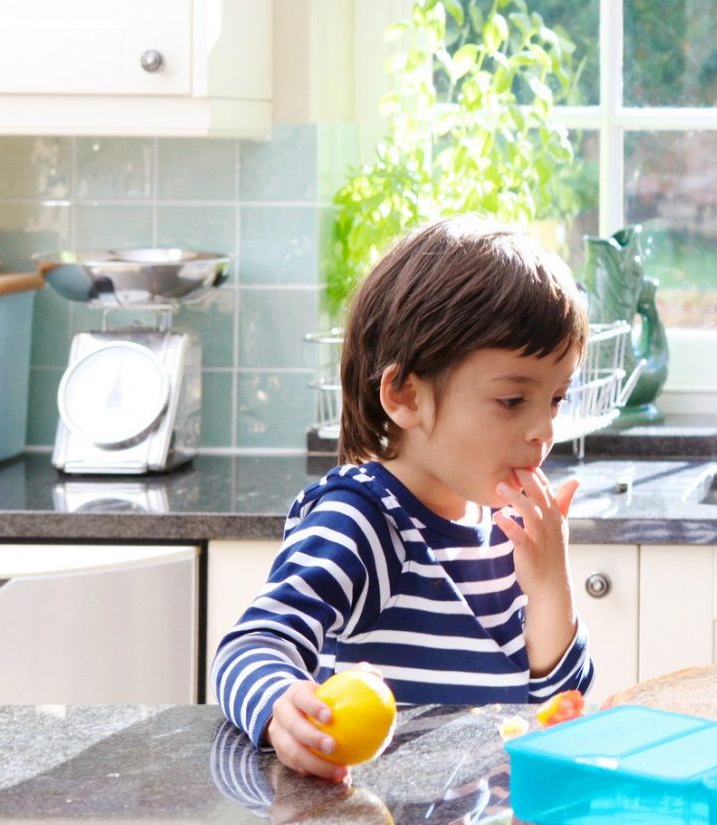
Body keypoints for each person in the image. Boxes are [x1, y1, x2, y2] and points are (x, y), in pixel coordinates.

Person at [213, 217, 595, 781]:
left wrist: (549, 587)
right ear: (405, 395)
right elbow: (250, 645)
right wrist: (279, 709)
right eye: (513, 400)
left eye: (557, 398)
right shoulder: (364, 520)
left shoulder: (502, 524)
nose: (544, 430)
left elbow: (557, 714)